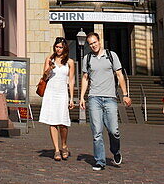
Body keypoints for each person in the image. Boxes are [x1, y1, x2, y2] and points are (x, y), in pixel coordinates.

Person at [79, 31, 132, 171]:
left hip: (110, 98)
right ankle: (100, 161)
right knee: (97, 132)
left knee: (114, 130)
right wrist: (82, 97)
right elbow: (85, 78)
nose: (93, 45)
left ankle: (116, 151)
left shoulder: (111, 55)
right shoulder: (87, 58)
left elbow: (120, 75)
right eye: (90, 44)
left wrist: (125, 94)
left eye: (94, 42)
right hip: (94, 97)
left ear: (99, 41)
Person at [38, 37, 75, 160]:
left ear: (65, 48)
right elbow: (44, 76)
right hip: (51, 92)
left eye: (60, 47)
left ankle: (64, 145)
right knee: (52, 121)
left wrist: (71, 98)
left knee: (63, 123)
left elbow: (71, 80)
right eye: (56, 47)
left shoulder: (69, 62)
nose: (58, 49)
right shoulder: (49, 59)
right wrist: (49, 68)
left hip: (62, 93)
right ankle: (57, 149)